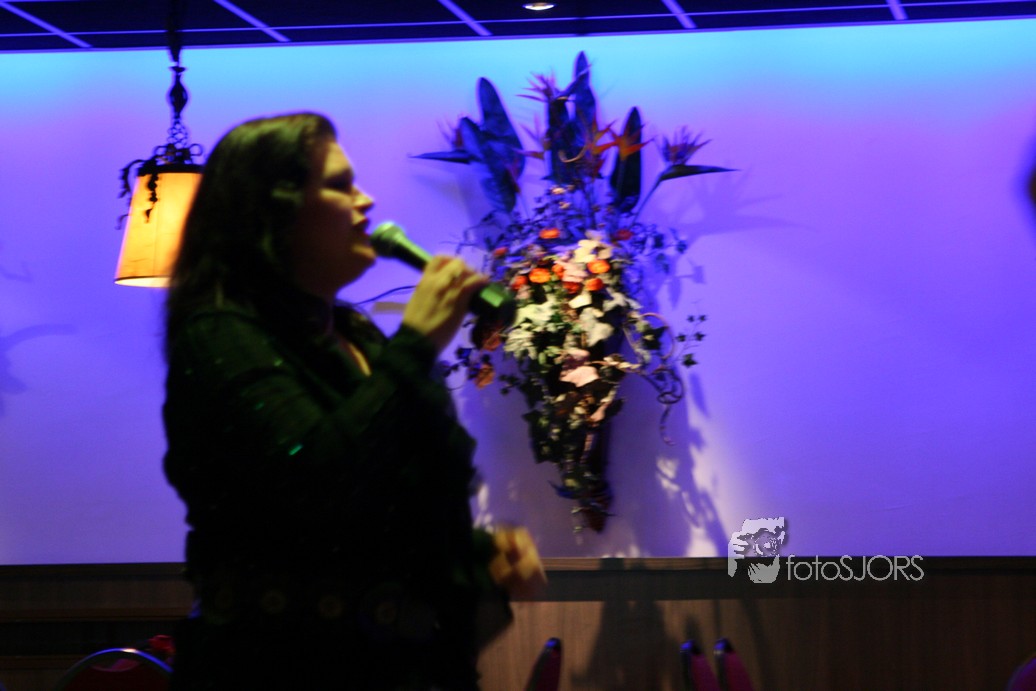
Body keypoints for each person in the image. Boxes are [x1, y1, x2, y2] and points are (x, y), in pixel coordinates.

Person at [161, 112, 544, 690]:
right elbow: (315, 484)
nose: (366, 201)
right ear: (275, 211)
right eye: (340, 185)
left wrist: (479, 556)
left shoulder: (355, 335)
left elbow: (387, 506)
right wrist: (416, 346)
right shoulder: (218, 336)